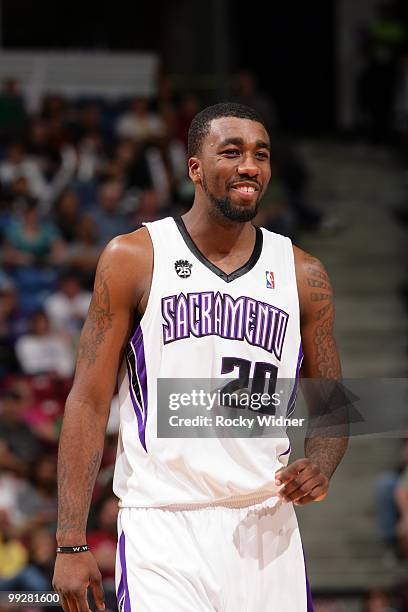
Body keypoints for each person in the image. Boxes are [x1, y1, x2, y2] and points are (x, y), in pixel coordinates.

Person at [53, 103, 347, 611]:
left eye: (261, 154)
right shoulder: (134, 257)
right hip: (163, 522)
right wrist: (70, 540)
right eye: (230, 152)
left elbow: (332, 403)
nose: (249, 166)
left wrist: (320, 463)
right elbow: (88, 401)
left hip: (266, 523)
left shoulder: (303, 273)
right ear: (194, 168)